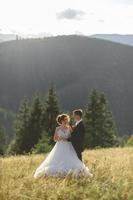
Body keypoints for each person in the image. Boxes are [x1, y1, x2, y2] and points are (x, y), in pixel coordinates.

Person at [34, 113, 92, 178]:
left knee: (70, 158)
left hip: (68, 145)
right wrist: (59, 139)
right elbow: (55, 139)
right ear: (61, 121)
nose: (66, 121)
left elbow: (72, 137)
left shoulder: (70, 128)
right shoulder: (57, 129)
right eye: (65, 119)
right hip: (60, 146)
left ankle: (73, 173)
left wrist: (67, 139)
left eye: (67, 119)